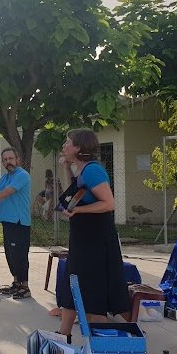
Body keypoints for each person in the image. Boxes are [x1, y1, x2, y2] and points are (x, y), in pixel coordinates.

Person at [56, 129, 128, 339]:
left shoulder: (93, 171)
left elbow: (108, 203)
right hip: (82, 240)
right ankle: (62, 336)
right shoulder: (83, 170)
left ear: (78, 147)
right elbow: (74, 193)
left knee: (92, 294)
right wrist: (67, 168)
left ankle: (100, 346)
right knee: (73, 285)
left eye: (67, 142)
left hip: (95, 243)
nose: (64, 145)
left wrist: (79, 210)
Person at [0, 147, 32, 299]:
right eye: (5, 159)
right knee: (11, 254)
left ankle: (25, 287)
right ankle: (16, 283)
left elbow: (7, 193)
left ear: (17, 160)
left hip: (19, 221)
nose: (8, 162)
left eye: (11, 158)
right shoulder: (5, 177)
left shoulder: (22, 175)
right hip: (7, 221)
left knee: (20, 254)